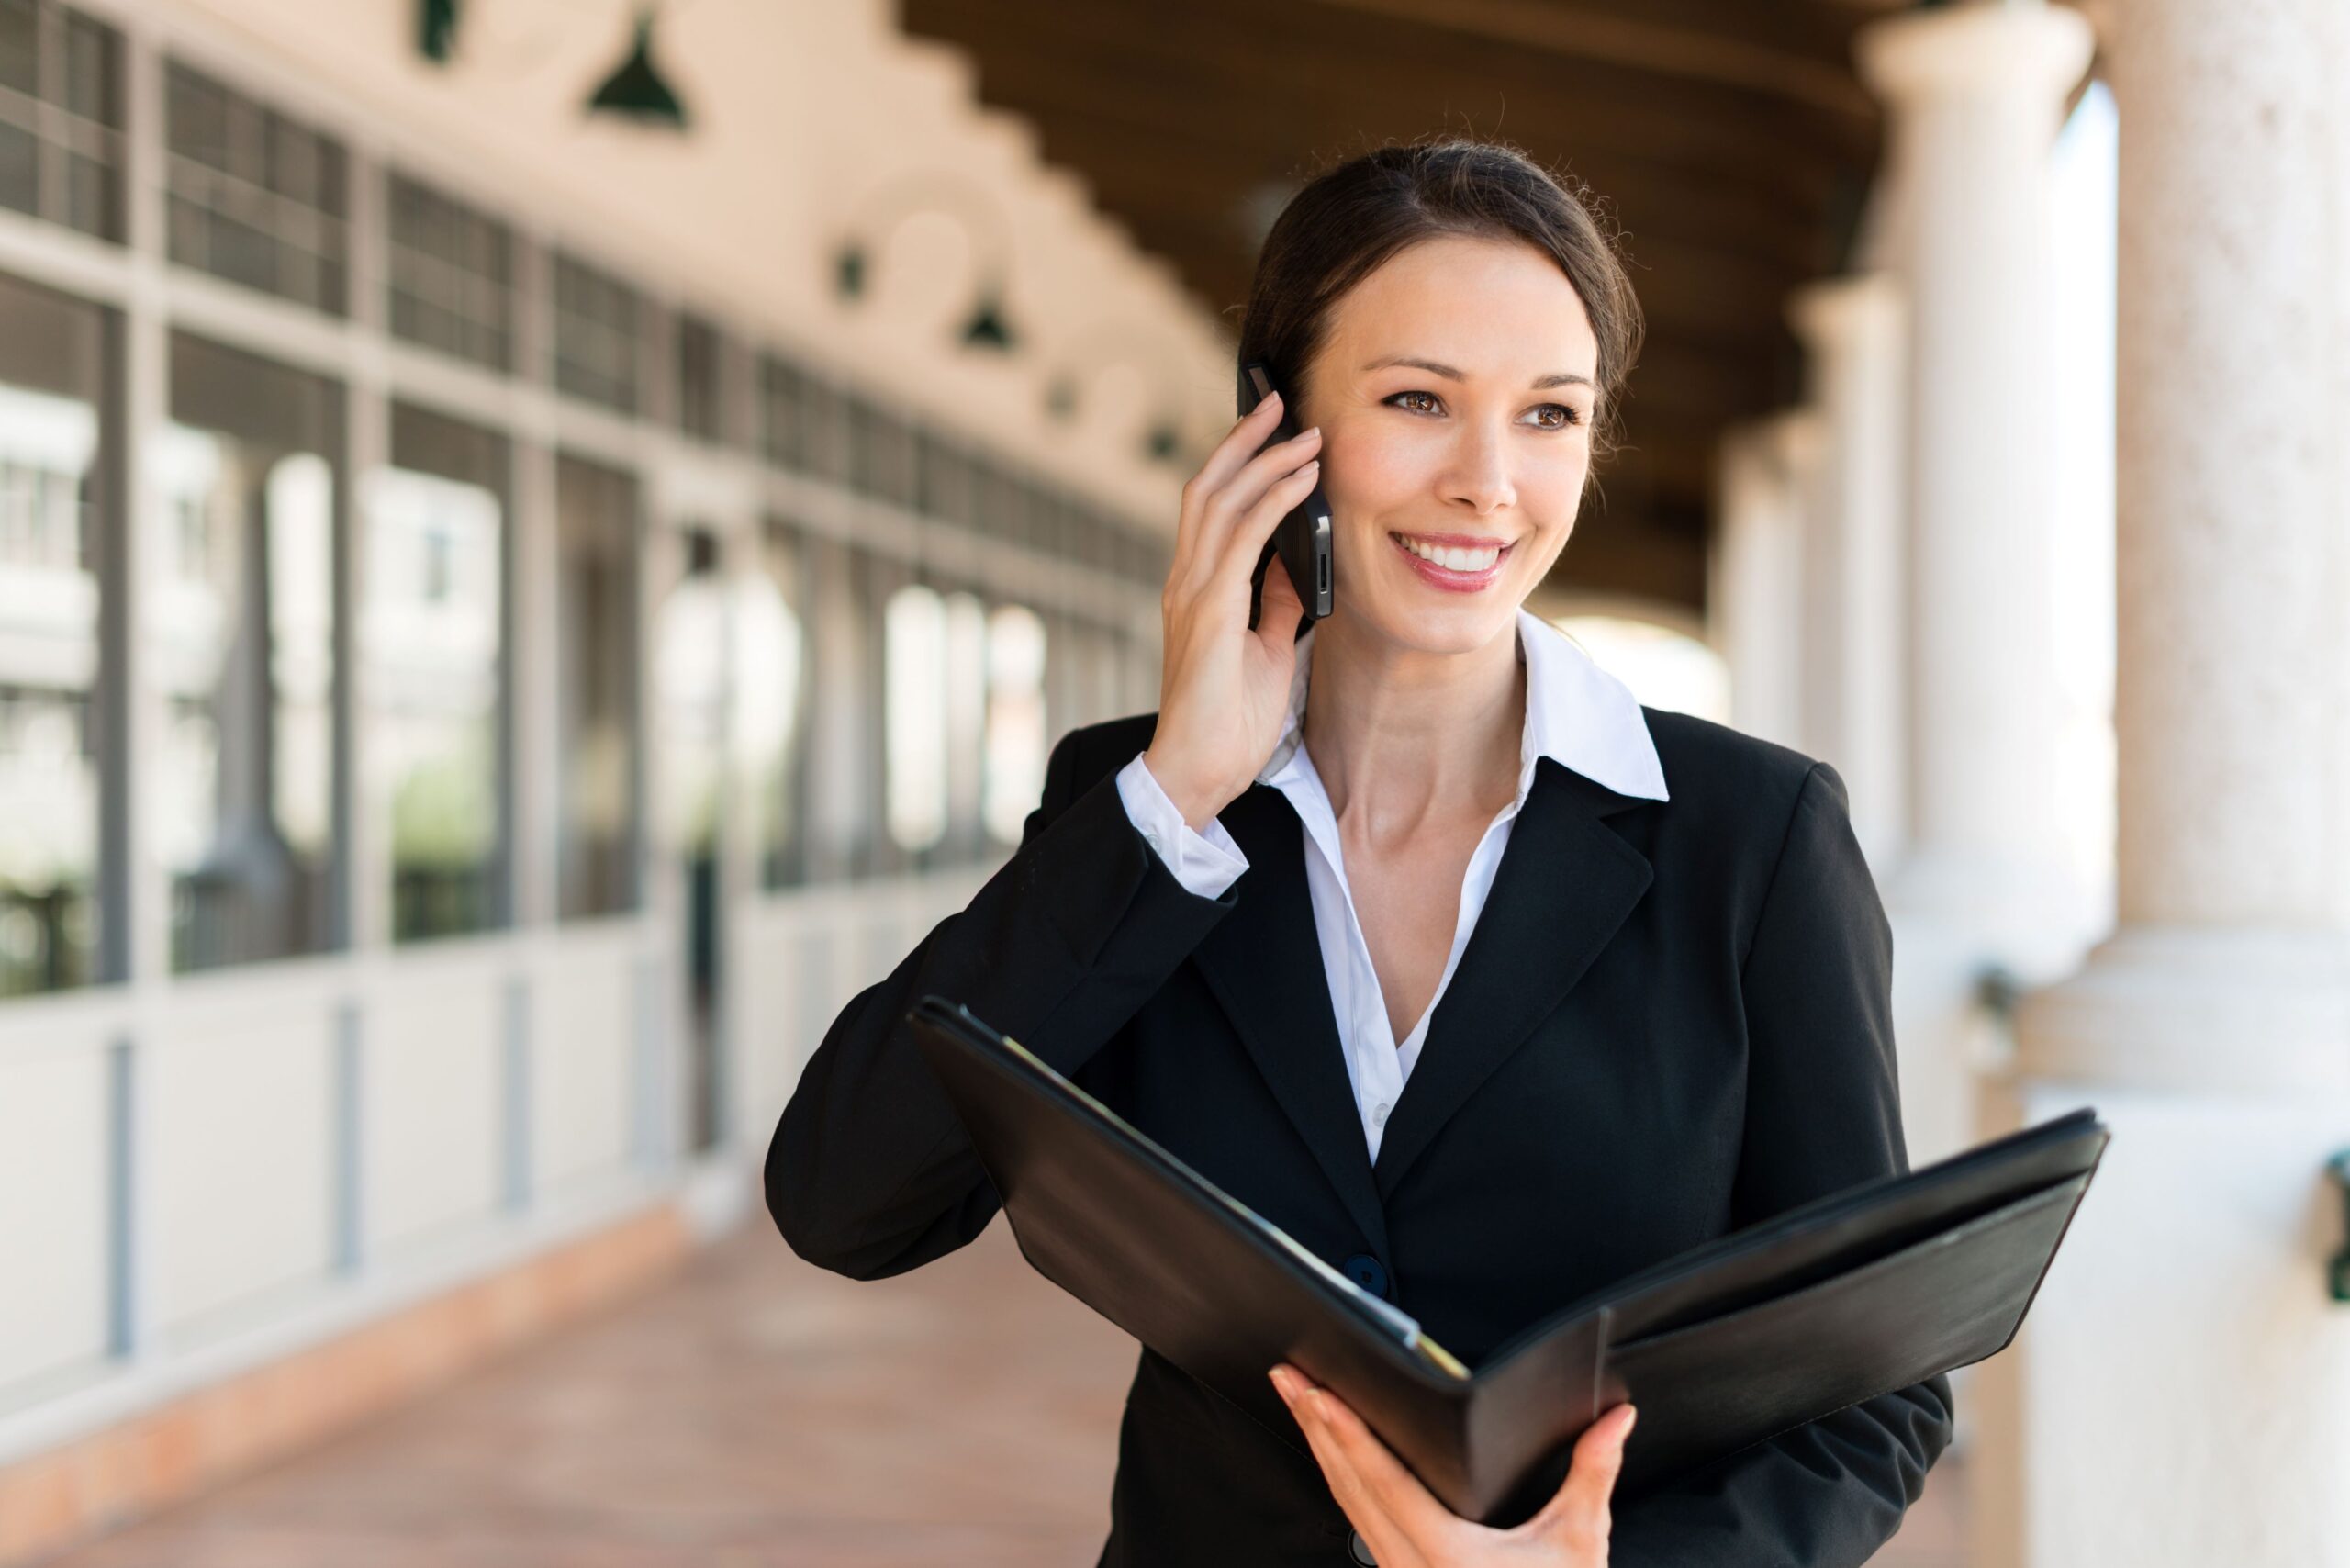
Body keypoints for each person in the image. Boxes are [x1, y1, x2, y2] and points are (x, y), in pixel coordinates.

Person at [767, 137, 1952, 1568]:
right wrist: (1177, 793)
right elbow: (846, 1202)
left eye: (1549, 415)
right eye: (1417, 401)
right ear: (1274, 430)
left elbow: (1874, 1390)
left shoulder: (1755, 842)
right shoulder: (1140, 815)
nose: (1489, 484)